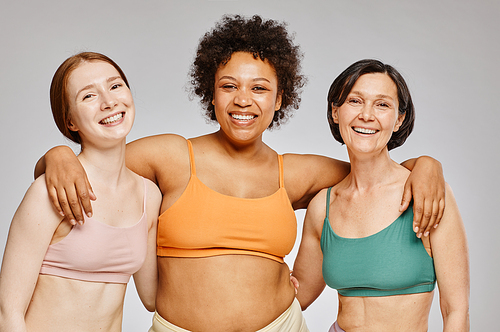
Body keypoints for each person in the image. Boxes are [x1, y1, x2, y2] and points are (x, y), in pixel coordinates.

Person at [34, 16, 445, 332]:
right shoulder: (172, 155)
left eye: (260, 89)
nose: (243, 100)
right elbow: (81, 170)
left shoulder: (295, 172)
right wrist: (55, 155)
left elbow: (375, 173)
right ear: (210, 93)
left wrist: (426, 166)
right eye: (229, 86)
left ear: (280, 98)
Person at [293, 59, 470, 332]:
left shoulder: (429, 195)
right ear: (335, 112)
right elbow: (298, 295)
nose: (367, 115)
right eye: (355, 101)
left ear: (399, 119)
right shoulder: (323, 207)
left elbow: (455, 309)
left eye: (382, 104)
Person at [0, 52, 162, 331]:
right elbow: (7, 312)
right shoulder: (49, 193)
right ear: (70, 122)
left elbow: (152, 298)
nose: (109, 102)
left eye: (115, 86)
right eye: (88, 96)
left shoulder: (149, 195)